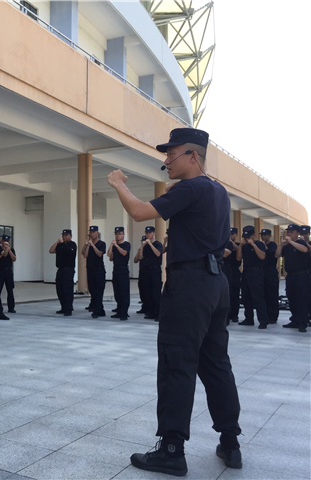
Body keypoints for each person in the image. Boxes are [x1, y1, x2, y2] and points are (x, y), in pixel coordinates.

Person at [108, 127, 242, 475]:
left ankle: (171, 449)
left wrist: (119, 183)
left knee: (175, 362)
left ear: (193, 156)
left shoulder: (192, 188)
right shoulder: (217, 191)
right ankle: (230, 442)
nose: (166, 160)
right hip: (216, 283)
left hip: (190, 285)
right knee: (216, 364)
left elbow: (138, 212)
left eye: (172, 153)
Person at [275, 224, 309, 333]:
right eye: (288, 232)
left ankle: (302, 323)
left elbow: (304, 250)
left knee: (301, 299)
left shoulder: (300, 242)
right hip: (290, 275)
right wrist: (281, 245)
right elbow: (277, 255)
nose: (288, 234)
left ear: (297, 233)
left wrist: (291, 242)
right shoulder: (287, 246)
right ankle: (294, 320)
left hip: (302, 275)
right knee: (292, 298)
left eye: (291, 232)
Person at [237, 226, 269, 329]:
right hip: (246, 272)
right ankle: (249, 319)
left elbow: (262, 256)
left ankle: (263, 321)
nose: (246, 239)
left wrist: (253, 245)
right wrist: (240, 247)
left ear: (254, 235)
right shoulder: (244, 246)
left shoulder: (259, 244)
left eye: (248, 236)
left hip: (256, 273)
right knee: (246, 297)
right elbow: (238, 258)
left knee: (258, 297)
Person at [136, 226, 163, 321]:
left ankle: (158, 313)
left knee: (156, 292)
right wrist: (143, 246)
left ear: (154, 233)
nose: (148, 234)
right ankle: (151, 312)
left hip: (155, 270)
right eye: (147, 233)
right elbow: (140, 257)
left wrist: (150, 244)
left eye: (150, 233)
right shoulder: (145, 245)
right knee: (148, 292)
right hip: (147, 270)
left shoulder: (158, 244)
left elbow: (158, 254)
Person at [49, 229, 77, 316]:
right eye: (63, 235)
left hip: (68, 270)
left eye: (66, 235)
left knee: (67, 289)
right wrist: (57, 242)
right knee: (60, 289)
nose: (64, 236)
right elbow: (51, 250)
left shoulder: (72, 244)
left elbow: (70, 252)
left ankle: (68, 308)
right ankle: (63, 307)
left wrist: (62, 244)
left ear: (70, 236)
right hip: (60, 269)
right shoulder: (60, 244)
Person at [82, 226, 106, 318]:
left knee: (98, 291)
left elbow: (100, 254)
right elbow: (84, 254)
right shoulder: (89, 244)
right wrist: (87, 245)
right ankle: (100, 310)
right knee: (92, 290)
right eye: (91, 232)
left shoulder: (101, 244)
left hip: (99, 270)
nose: (92, 234)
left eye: (93, 232)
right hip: (90, 269)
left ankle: (97, 310)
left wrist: (93, 245)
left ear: (97, 233)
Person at [108, 227, 131, 320]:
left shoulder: (126, 244)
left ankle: (124, 313)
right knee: (117, 292)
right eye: (116, 234)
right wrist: (111, 245)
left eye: (119, 234)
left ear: (123, 234)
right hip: (116, 270)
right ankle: (119, 310)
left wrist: (117, 246)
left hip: (123, 270)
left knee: (124, 291)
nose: (118, 235)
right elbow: (109, 256)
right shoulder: (114, 245)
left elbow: (124, 253)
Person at [260, 229, 280, 324]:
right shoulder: (259, 245)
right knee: (263, 294)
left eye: (265, 235)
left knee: (272, 294)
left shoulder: (272, 245)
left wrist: (263, 245)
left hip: (271, 270)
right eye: (262, 235)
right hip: (262, 270)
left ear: (269, 236)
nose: (263, 237)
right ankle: (266, 314)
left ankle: (273, 316)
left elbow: (272, 254)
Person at [223, 228, 242, 323]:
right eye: (229, 234)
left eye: (232, 234)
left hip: (234, 271)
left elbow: (239, 254)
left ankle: (234, 315)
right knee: (227, 294)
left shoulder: (237, 245)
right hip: (225, 269)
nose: (230, 235)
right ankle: (227, 315)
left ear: (236, 235)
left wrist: (230, 242)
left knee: (234, 294)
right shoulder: (224, 243)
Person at [0, 235, 17, 313]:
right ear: (1, 241)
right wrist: (3, 251)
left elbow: (14, 259)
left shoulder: (11, 249)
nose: (6, 242)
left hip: (8, 271)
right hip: (0, 271)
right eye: (4, 241)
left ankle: (11, 307)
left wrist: (9, 251)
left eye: (7, 241)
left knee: (10, 290)